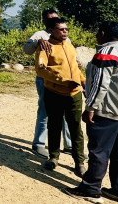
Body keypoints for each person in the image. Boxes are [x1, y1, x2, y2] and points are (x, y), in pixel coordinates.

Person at [64, 21, 118, 204]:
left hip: (107, 111)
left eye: (98, 31)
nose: (96, 35)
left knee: (98, 151)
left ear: (104, 33)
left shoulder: (106, 53)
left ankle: (90, 189)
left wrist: (90, 107)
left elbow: (100, 84)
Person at [35, 17, 87, 176]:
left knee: (76, 128)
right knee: (54, 125)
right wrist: (62, 81)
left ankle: (79, 162)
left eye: (66, 29)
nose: (65, 32)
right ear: (51, 31)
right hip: (54, 93)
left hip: (74, 94)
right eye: (61, 29)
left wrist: (84, 82)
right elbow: (41, 70)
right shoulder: (45, 47)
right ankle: (53, 157)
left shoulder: (69, 46)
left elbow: (75, 68)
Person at [24, 8, 73, 159]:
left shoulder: (64, 36)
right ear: (45, 21)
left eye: (55, 18)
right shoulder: (40, 35)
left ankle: (69, 145)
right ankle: (38, 143)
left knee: (65, 111)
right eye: (50, 19)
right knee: (45, 110)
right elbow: (27, 50)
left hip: (63, 80)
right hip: (45, 79)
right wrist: (38, 42)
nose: (53, 21)